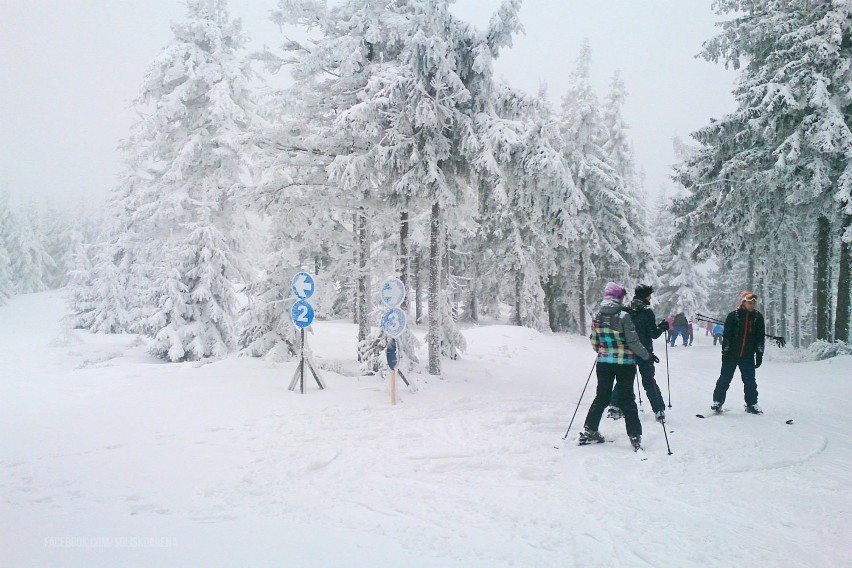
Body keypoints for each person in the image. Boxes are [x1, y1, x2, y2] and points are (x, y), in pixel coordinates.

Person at [580, 282, 651, 451]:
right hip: (625, 363)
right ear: (618, 297)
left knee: (602, 396)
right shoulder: (623, 316)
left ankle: (590, 429)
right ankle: (634, 435)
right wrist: (646, 355)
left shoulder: (597, 315)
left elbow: (594, 341)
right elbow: (633, 341)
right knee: (627, 398)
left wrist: (603, 350)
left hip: (604, 363)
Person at [607, 284, 670, 422]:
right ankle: (659, 409)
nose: (650, 297)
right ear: (645, 296)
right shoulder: (647, 312)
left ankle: (614, 406)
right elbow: (653, 334)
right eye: (649, 295)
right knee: (649, 380)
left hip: (627, 351)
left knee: (624, 379)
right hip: (644, 352)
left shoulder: (625, 310)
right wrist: (662, 327)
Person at [711, 291, 765, 414]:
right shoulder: (733, 316)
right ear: (743, 302)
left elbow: (760, 337)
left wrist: (759, 353)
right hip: (731, 355)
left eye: (754, 303)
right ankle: (717, 401)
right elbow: (727, 336)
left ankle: (752, 403)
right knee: (724, 378)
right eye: (750, 303)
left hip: (748, 356)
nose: (752, 305)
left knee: (750, 381)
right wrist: (725, 352)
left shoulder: (757, 317)